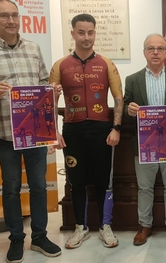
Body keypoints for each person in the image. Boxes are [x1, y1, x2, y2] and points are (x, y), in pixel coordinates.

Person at [0, 0, 62, 263]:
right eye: (4, 16)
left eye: (14, 15)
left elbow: (42, 82)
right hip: (4, 133)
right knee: (10, 188)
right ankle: (16, 239)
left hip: (35, 133)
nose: (11, 21)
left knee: (39, 187)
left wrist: (51, 91)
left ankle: (40, 236)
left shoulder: (33, 48)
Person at [50, 13, 123, 249]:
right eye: (81, 32)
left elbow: (118, 98)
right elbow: (50, 101)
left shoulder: (106, 63)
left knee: (103, 181)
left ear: (95, 33)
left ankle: (105, 226)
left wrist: (116, 128)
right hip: (72, 130)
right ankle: (80, 227)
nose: (86, 37)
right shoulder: (60, 65)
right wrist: (54, 131)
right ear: (73, 33)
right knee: (76, 181)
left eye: (90, 32)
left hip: (102, 130)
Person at [124, 34, 166, 246]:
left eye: (160, 48)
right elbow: (125, 107)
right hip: (144, 143)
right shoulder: (132, 80)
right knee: (145, 187)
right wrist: (129, 110)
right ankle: (145, 225)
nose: (155, 52)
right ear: (144, 52)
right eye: (151, 48)